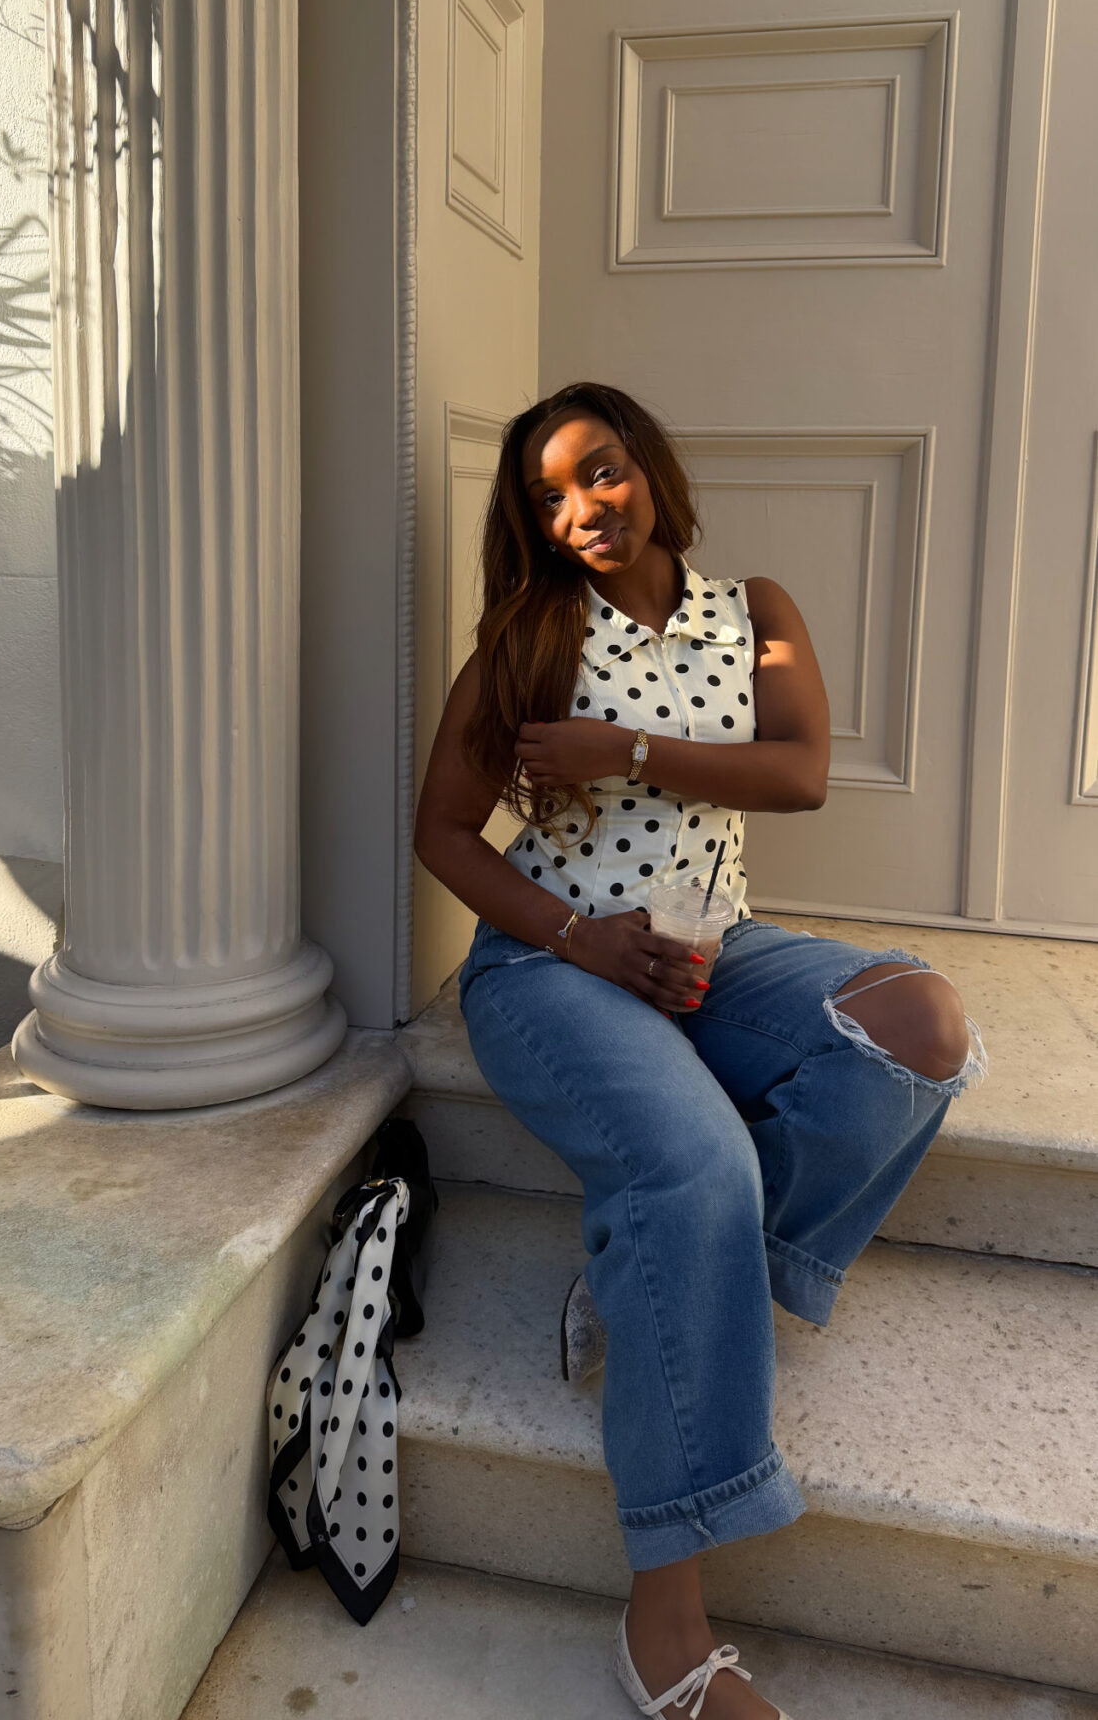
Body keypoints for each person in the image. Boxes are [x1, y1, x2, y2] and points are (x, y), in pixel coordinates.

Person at [414, 382, 986, 1720]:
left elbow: (796, 771)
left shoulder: (757, 612)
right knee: (696, 1167)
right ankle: (664, 1617)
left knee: (918, 1026)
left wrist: (629, 750)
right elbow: (443, 836)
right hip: (552, 967)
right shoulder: (526, 639)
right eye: (547, 498)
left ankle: (653, 1291)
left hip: (708, 947)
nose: (581, 510)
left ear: (648, 468)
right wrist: (577, 939)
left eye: (598, 473)